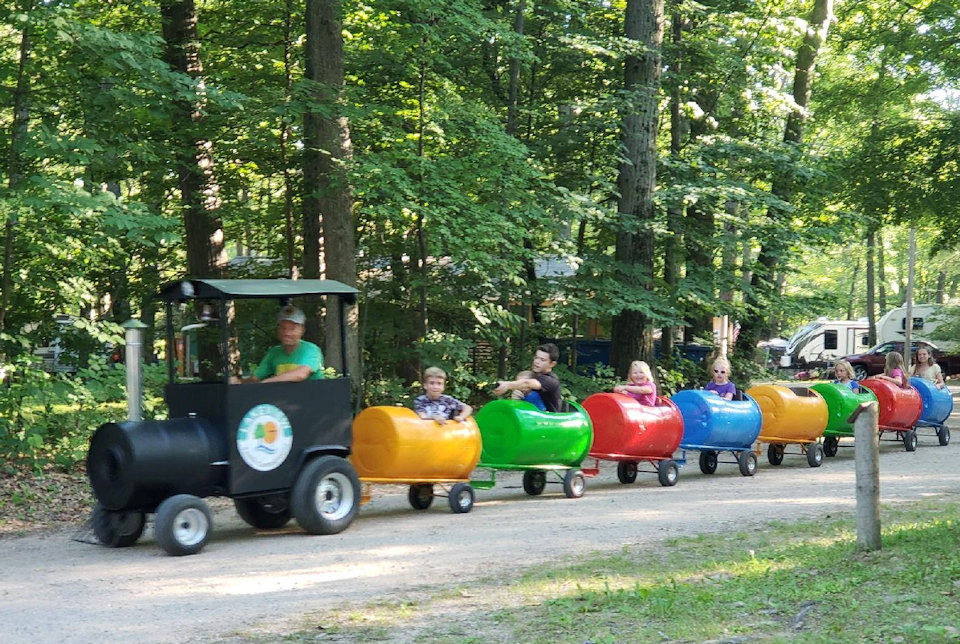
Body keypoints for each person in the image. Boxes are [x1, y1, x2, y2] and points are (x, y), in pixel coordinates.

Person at [232, 305, 323, 383]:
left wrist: (267, 382)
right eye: (283, 328)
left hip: (312, 400)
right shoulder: (274, 353)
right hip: (282, 400)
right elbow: (255, 379)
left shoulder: (311, 350)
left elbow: (301, 374)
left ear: (302, 330)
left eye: (292, 329)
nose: (287, 333)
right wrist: (239, 382)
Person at [493, 343, 562, 412]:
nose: (537, 362)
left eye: (542, 360)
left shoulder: (551, 380)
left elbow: (527, 383)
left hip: (549, 420)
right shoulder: (531, 375)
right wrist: (516, 399)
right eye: (536, 357)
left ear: (552, 364)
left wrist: (507, 385)